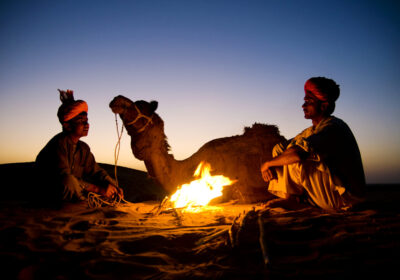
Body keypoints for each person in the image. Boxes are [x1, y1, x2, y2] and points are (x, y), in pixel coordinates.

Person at [260, 77, 365, 211]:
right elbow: (282, 149)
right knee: (280, 149)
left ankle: (291, 201)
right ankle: (291, 198)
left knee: (295, 153)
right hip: (324, 195)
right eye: (304, 101)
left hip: (343, 200)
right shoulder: (311, 131)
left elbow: (297, 154)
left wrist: (267, 164)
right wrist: (270, 162)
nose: (303, 106)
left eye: (308, 102)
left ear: (324, 105)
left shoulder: (334, 127)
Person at [35, 89, 123, 204]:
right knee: (68, 181)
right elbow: (65, 178)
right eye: (81, 121)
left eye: (87, 120)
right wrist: (97, 189)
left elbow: (96, 171)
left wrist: (113, 185)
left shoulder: (83, 148)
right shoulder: (58, 144)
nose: (87, 125)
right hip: (49, 193)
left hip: (75, 192)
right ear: (67, 126)